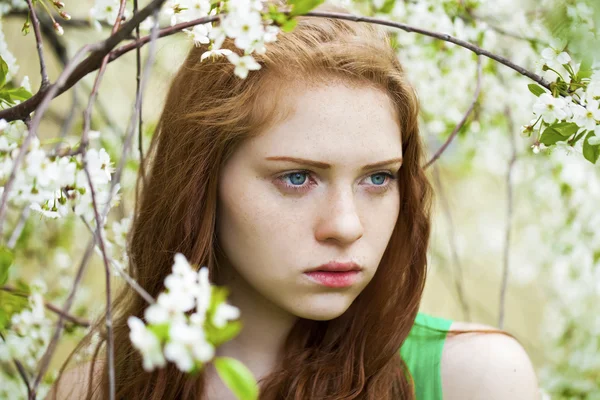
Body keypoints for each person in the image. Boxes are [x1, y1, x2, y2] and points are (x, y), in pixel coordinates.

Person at [47, 1, 539, 399]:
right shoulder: (95, 390)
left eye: (377, 179)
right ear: (200, 182)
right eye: (298, 177)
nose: (346, 227)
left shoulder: (475, 379)